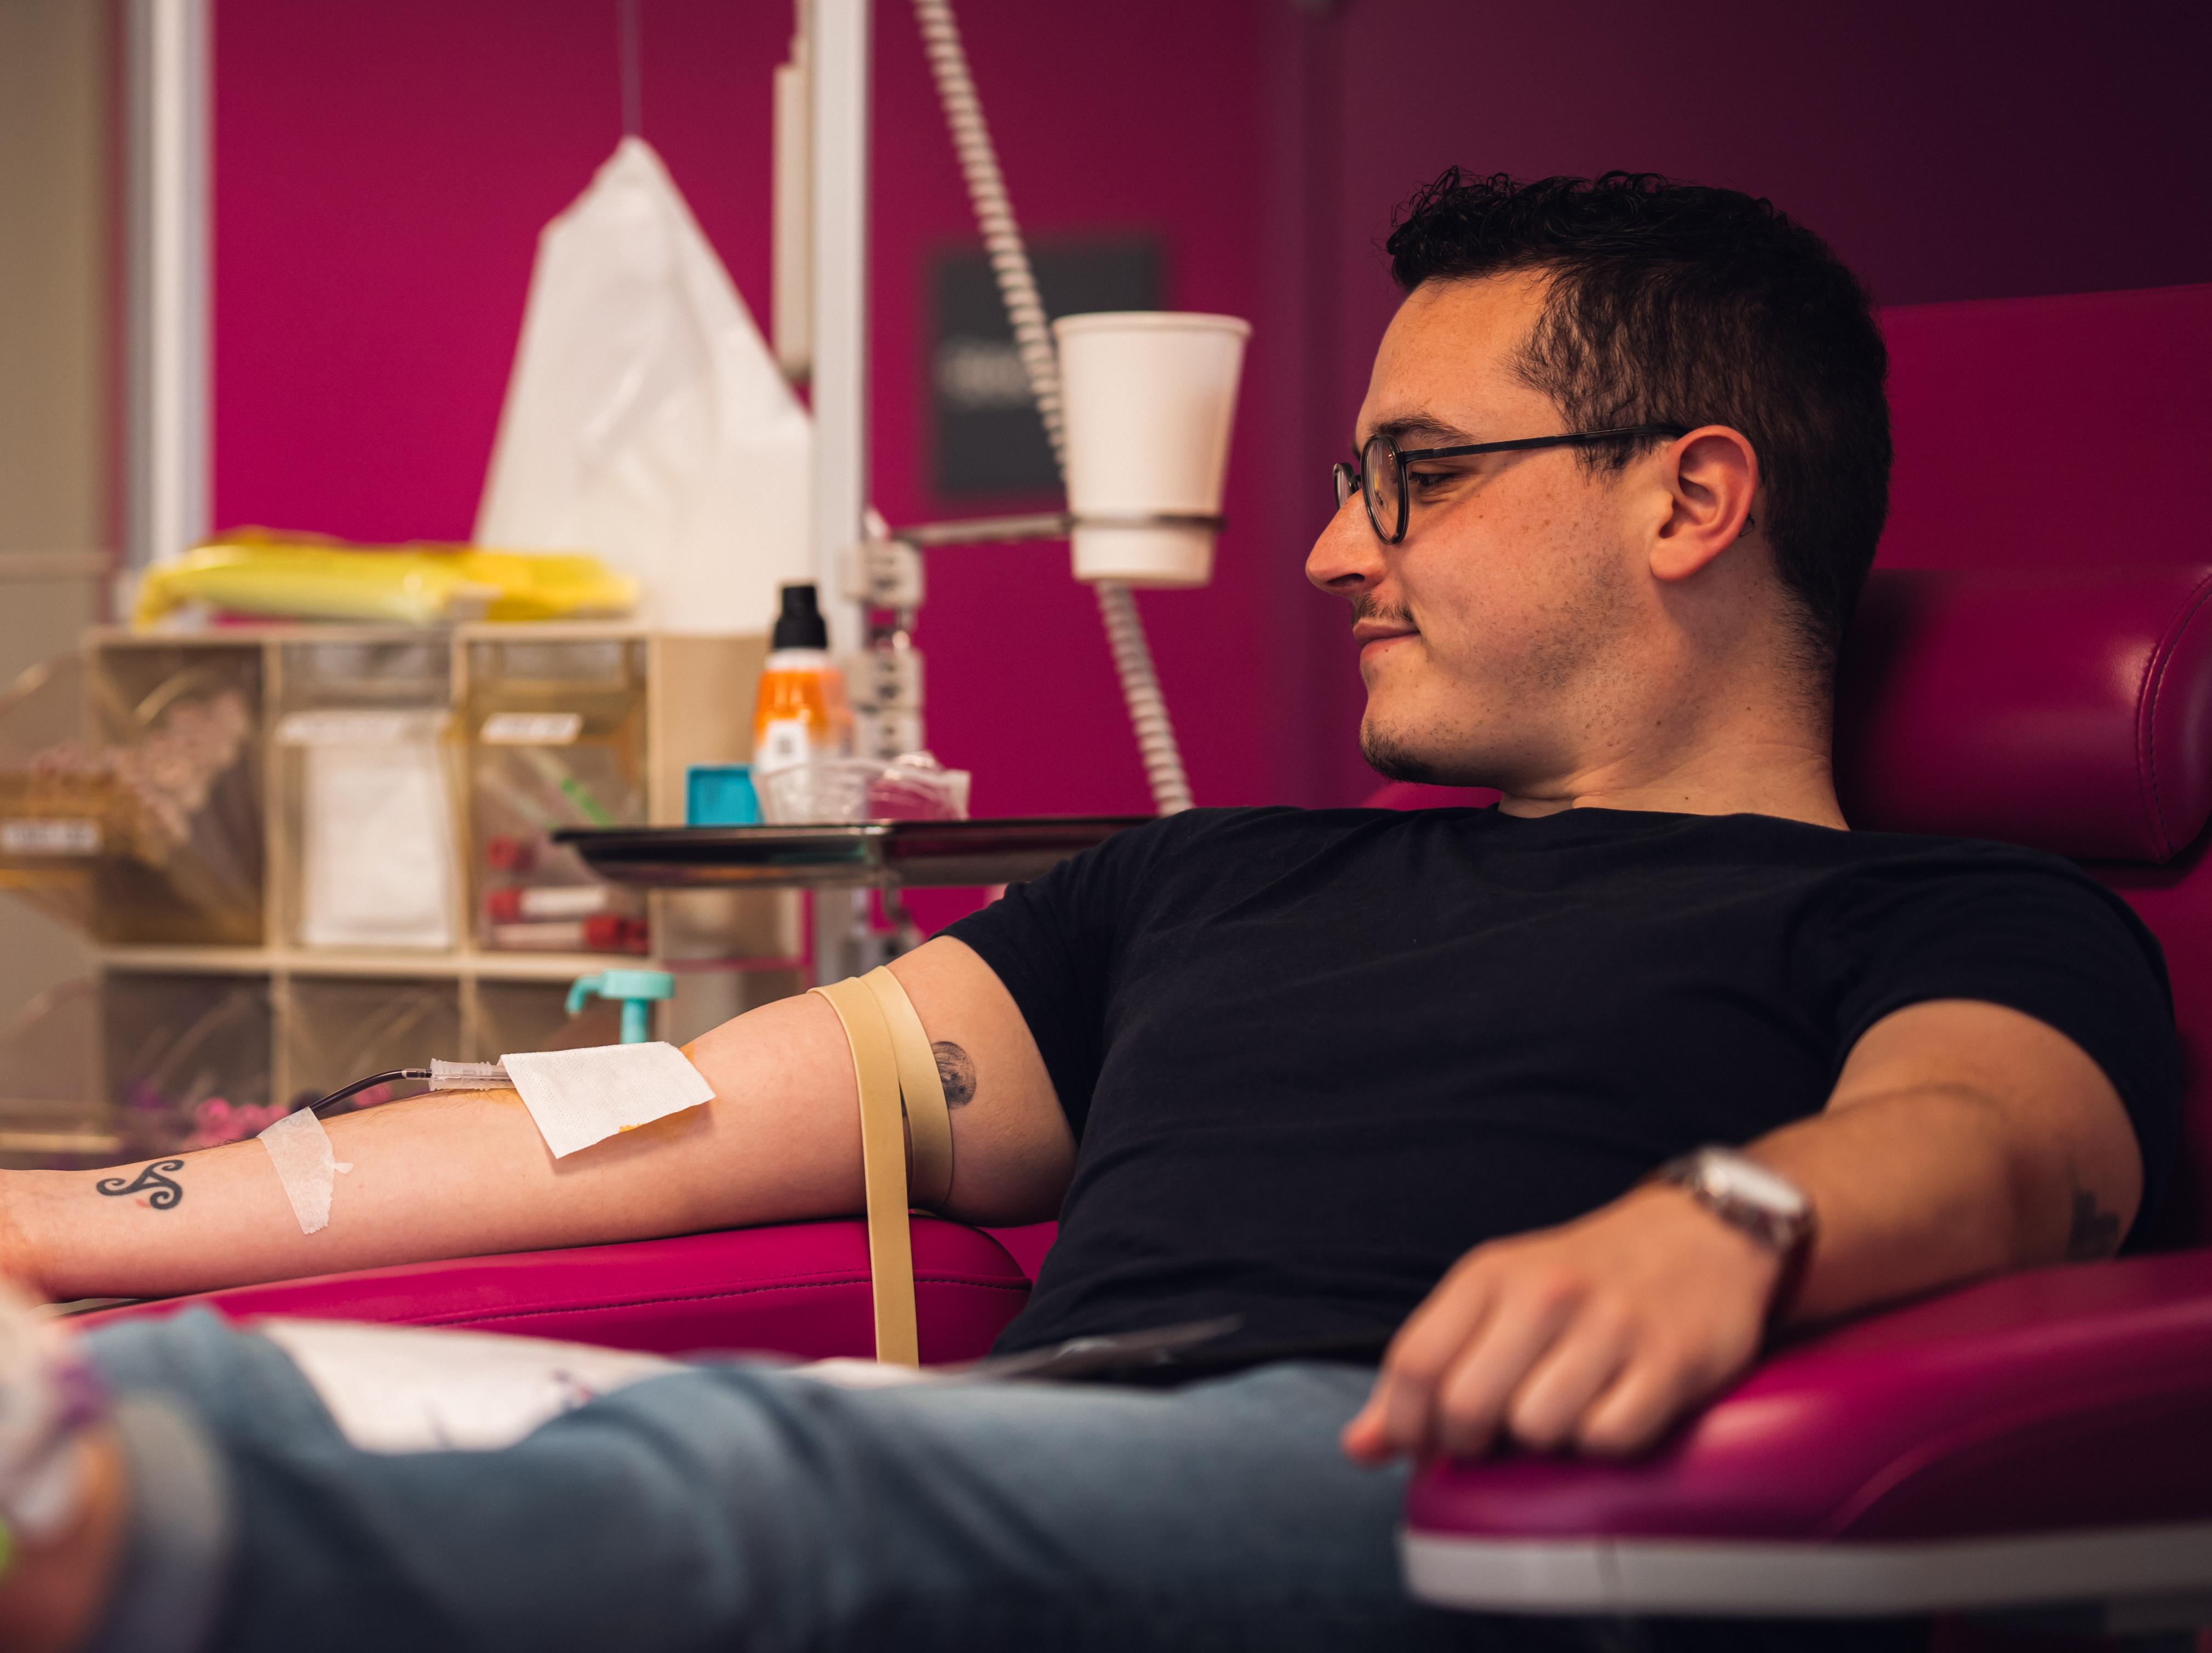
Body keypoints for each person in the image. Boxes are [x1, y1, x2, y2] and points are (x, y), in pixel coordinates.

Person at [0, 171, 2176, 1653]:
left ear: (1691, 496)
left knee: (755, 1477)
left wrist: (1726, 1222)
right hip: (1031, 1452)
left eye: (1413, 477)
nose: (1333, 551)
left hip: (1431, 1478)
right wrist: (68, 1224)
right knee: (255, 1396)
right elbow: (661, 1110)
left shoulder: (1952, 913)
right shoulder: (1213, 877)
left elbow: (1994, 1143)